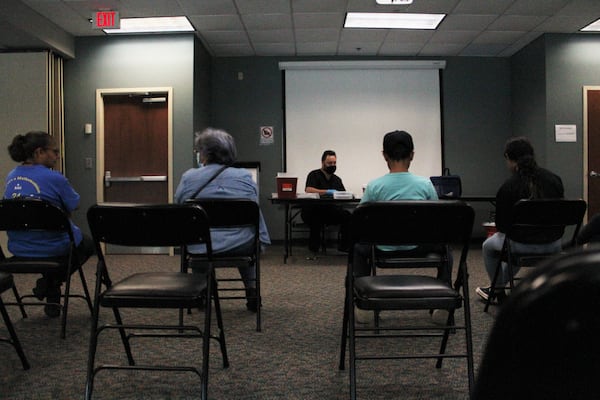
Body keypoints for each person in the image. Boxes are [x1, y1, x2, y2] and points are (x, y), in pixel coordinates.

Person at [352, 130, 444, 323]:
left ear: (384, 155)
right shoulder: (425, 185)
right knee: (446, 250)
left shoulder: (374, 186)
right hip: (419, 247)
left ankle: (363, 302)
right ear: (412, 154)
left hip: (381, 249)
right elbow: (437, 220)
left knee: (359, 249)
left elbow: (359, 221)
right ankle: (443, 303)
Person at [174, 127, 270, 312]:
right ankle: (251, 289)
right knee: (245, 234)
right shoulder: (244, 176)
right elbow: (252, 206)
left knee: (199, 236)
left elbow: (180, 207)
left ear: (204, 153)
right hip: (242, 246)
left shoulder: (189, 177)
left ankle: (203, 289)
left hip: (201, 247)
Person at [3, 131, 94, 318]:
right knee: (88, 244)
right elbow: (74, 204)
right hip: (53, 247)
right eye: (54, 151)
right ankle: (51, 284)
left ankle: (51, 286)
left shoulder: (11, 177)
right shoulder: (55, 178)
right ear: (39, 152)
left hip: (18, 248)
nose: (57, 155)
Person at [476, 136, 564, 304]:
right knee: (511, 241)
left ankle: (498, 290)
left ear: (509, 158)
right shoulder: (554, 180)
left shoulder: (509, 186)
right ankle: (497, 287)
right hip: (553, 243)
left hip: (520, 243)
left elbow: (502, 226)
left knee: (490, 245)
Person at [301, 150, 351, 255]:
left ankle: (344, 246)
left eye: (334, 163)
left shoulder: (337, 179)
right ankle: (314, 248)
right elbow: (308, 189)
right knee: (316, 218)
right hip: (313, 210)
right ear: (323, 162)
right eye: (329, 163)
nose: (332, 165)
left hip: (330, 210)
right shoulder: (313, 174)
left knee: (347, 216)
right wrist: (326, 191)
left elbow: (343, 193)